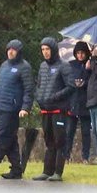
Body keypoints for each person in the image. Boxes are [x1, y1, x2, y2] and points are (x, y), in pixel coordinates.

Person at [0, 39, 33, 180]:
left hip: (12, 108)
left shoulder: (24, 67)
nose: (10, 51)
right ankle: (17, 170)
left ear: (19, 51)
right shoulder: (4, 65)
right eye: (9, 49)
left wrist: (25, 107)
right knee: (10, 139)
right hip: (0, 105)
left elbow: (29, 89)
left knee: (2, 138)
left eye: (14, 49)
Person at [33, 36, 74, 181]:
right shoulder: (42, 66)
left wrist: (55, 97)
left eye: (47, 49)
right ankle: (47, 171)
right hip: (46, 110)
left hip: (59, 110)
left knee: (59, 141)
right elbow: (39, 85)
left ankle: (58, 172)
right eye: (43, 49)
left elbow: (71, 86)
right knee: (48, 141)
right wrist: (39, 97)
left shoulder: (64, 66)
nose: (45, 52)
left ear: (53, 50)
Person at [63, 41, 92, 163]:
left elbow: (91, 81)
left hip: (85, 102)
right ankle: (66, 155)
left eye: (83, 53)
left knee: (86, 132)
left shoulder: (90, 65)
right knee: (69, 131)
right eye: (78, 53)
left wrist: (86, 73)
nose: (80, 55)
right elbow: (67, 80)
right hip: (73, 102)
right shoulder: (71, 65)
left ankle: (85, 157)